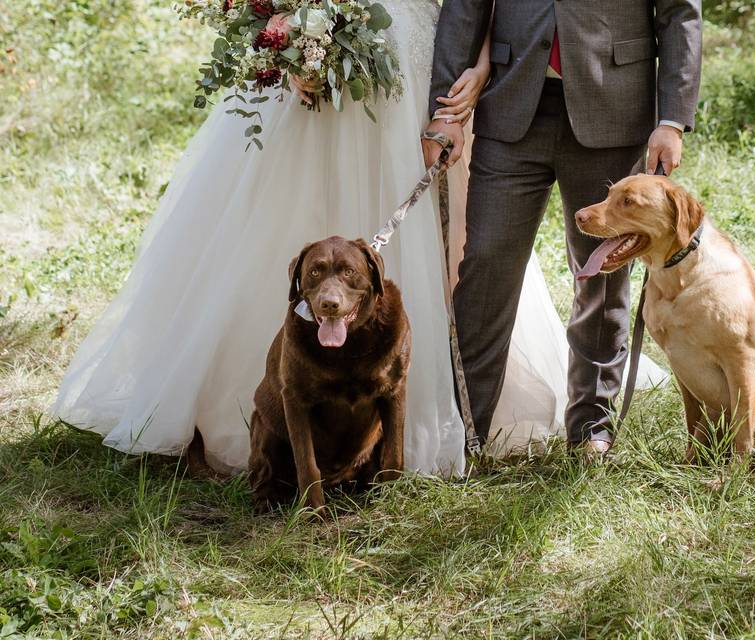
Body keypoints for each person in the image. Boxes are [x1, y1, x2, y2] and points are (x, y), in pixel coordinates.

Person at [51, 0, 668, 474]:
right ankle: (258, 402)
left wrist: (478, 68)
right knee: (299, 220)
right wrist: (286, 34)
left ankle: (450, 417)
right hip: (316, 74)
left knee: (469, 260)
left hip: (414, 58)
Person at [425, 0, 701, 456]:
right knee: (486, 263)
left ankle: (592, 425)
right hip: (510, 104)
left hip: (615, 108)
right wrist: (446, 114)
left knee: (602, 276)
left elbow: (679, 14)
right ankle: (466, 427)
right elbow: (464, 9)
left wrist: (671, 120)